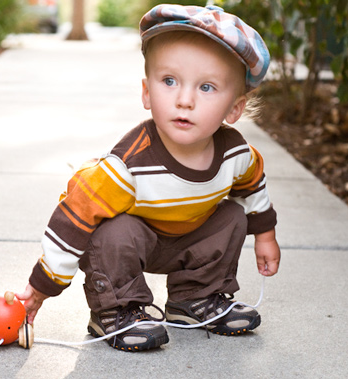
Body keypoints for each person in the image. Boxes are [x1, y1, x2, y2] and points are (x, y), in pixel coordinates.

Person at [17, 4, 281, 352]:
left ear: (234, 108)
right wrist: (40, 287)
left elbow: (253, 187)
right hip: (133, 245)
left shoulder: (235, 154)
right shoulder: (126, 167)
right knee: (113, 232)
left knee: (232, 216)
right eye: (169, 81)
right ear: (146, 92)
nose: (184, 100)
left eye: (206, 87)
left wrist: (265, 235)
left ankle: (195, 299)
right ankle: (116, 311)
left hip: (190, 238)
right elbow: (72, 220)